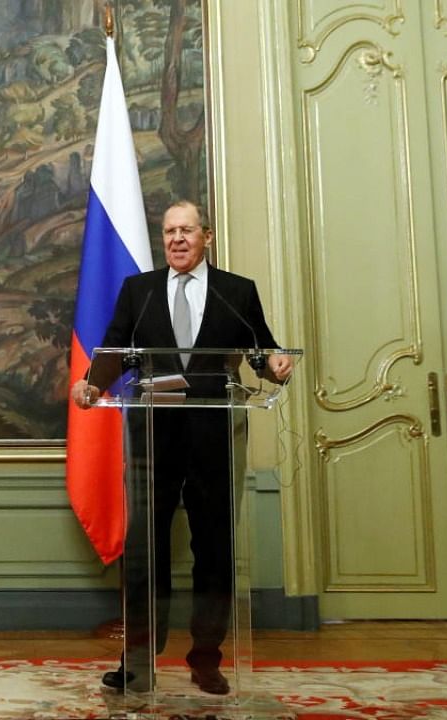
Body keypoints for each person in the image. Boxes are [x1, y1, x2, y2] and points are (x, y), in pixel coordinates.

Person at [71, 200, 293, 695]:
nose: (176, 239)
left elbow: (261, 350)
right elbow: (114, 349)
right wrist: (90, 386)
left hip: (215, 439)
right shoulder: (140, 291)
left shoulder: (238, 291)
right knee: (145, 551)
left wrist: (274, 365)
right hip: (154, 438)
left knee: (214, 550)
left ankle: (207, 658)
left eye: (186, 231)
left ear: (205, 237)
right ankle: (138, 663)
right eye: (169, 231)